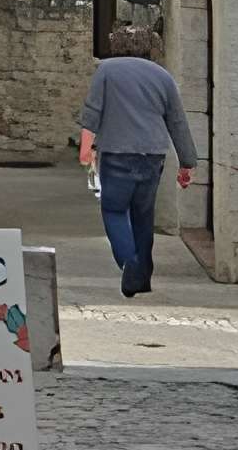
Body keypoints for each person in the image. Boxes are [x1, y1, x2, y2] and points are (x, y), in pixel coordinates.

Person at [77, 23, 198, 299]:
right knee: (143, 215)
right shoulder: (163, 76)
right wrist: (186, 163)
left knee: (114, 209)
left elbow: (92, 111)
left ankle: (128, 261)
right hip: (153, 154)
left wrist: (86, 150)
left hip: (117, 151)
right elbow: (177, 121)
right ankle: (142, 277)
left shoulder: (106, 70)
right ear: (149, 47)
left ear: (115, 44)